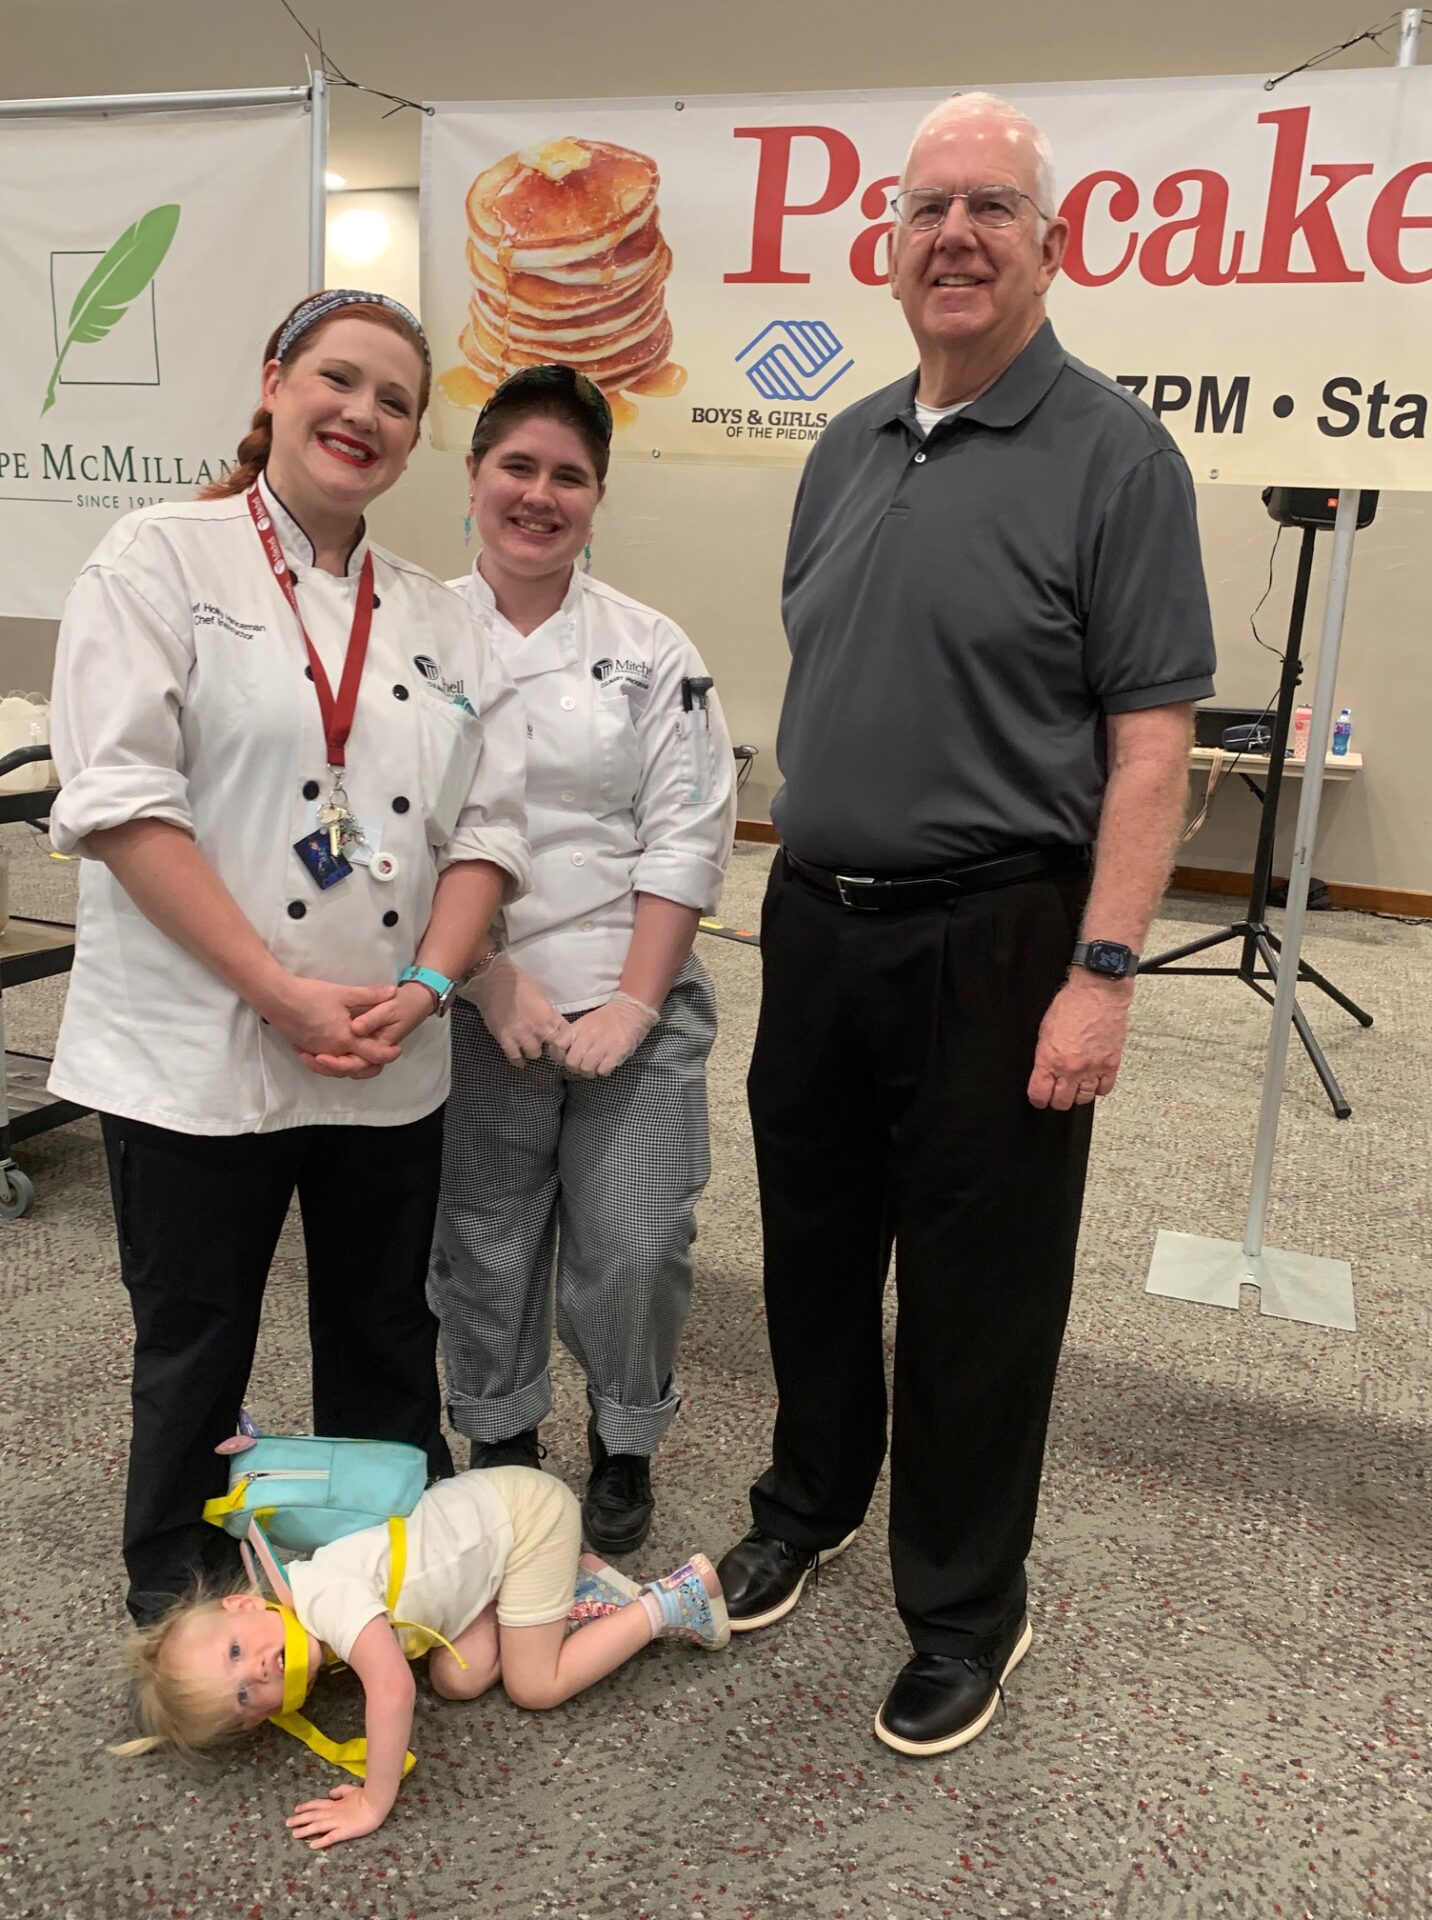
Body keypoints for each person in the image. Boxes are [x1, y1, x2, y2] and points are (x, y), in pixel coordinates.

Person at [715, 94, 1217, 1755]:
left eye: (991, 207)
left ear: (1049, 248)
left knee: (976, 1292)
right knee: (809, 1247)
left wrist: (1103, 973)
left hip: (1001, 940)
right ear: (887, 244)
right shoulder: (845, 443)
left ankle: (962, 1605)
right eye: (927, 205)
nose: (954, 234)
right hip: (815, 923)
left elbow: (1152, 748)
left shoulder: (1117, 458)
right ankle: (807, 1502)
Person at [46, 290, 530, 1625]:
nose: (363, 414)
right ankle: (186, 1606)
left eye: (395, 401)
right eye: (338, 379)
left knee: (384, 1326)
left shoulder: (438, 615)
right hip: (200, 1047)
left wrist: (428, 988)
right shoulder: (159, 558)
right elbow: (120, 803)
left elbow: (486, 831)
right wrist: (274, 991)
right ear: (274, 382)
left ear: (414, 440)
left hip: (386, 1043)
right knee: (196, 1339)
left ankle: (389, 1584)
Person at [428, 364, 736, 1556]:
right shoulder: (415, 633)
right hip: (470, 995)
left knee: (637, 1240)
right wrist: (485, 974)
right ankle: (500, 1432)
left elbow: (688, 828)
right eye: (517, 465)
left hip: (630, 991)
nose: (539, 495)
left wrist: (636, 1003)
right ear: (473, 476)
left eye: (569, 475)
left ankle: (625, 1437)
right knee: (483, 1235)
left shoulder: (651, 649)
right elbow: (400, 829)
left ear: (597, 498)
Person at [115, 1464, 729, 1850]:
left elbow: (392, 1690)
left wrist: (372, 1800)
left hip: (529, 1518)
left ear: (244, 1605)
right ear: (261, 1718)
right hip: (485, 1539)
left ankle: (673, 1602)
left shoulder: (323, 1598)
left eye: (236, 1651)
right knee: (457, 1680)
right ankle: (560, 1591)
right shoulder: (300, 1612)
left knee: (535, 1686)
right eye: (244, 1693)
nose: (256, 1670)